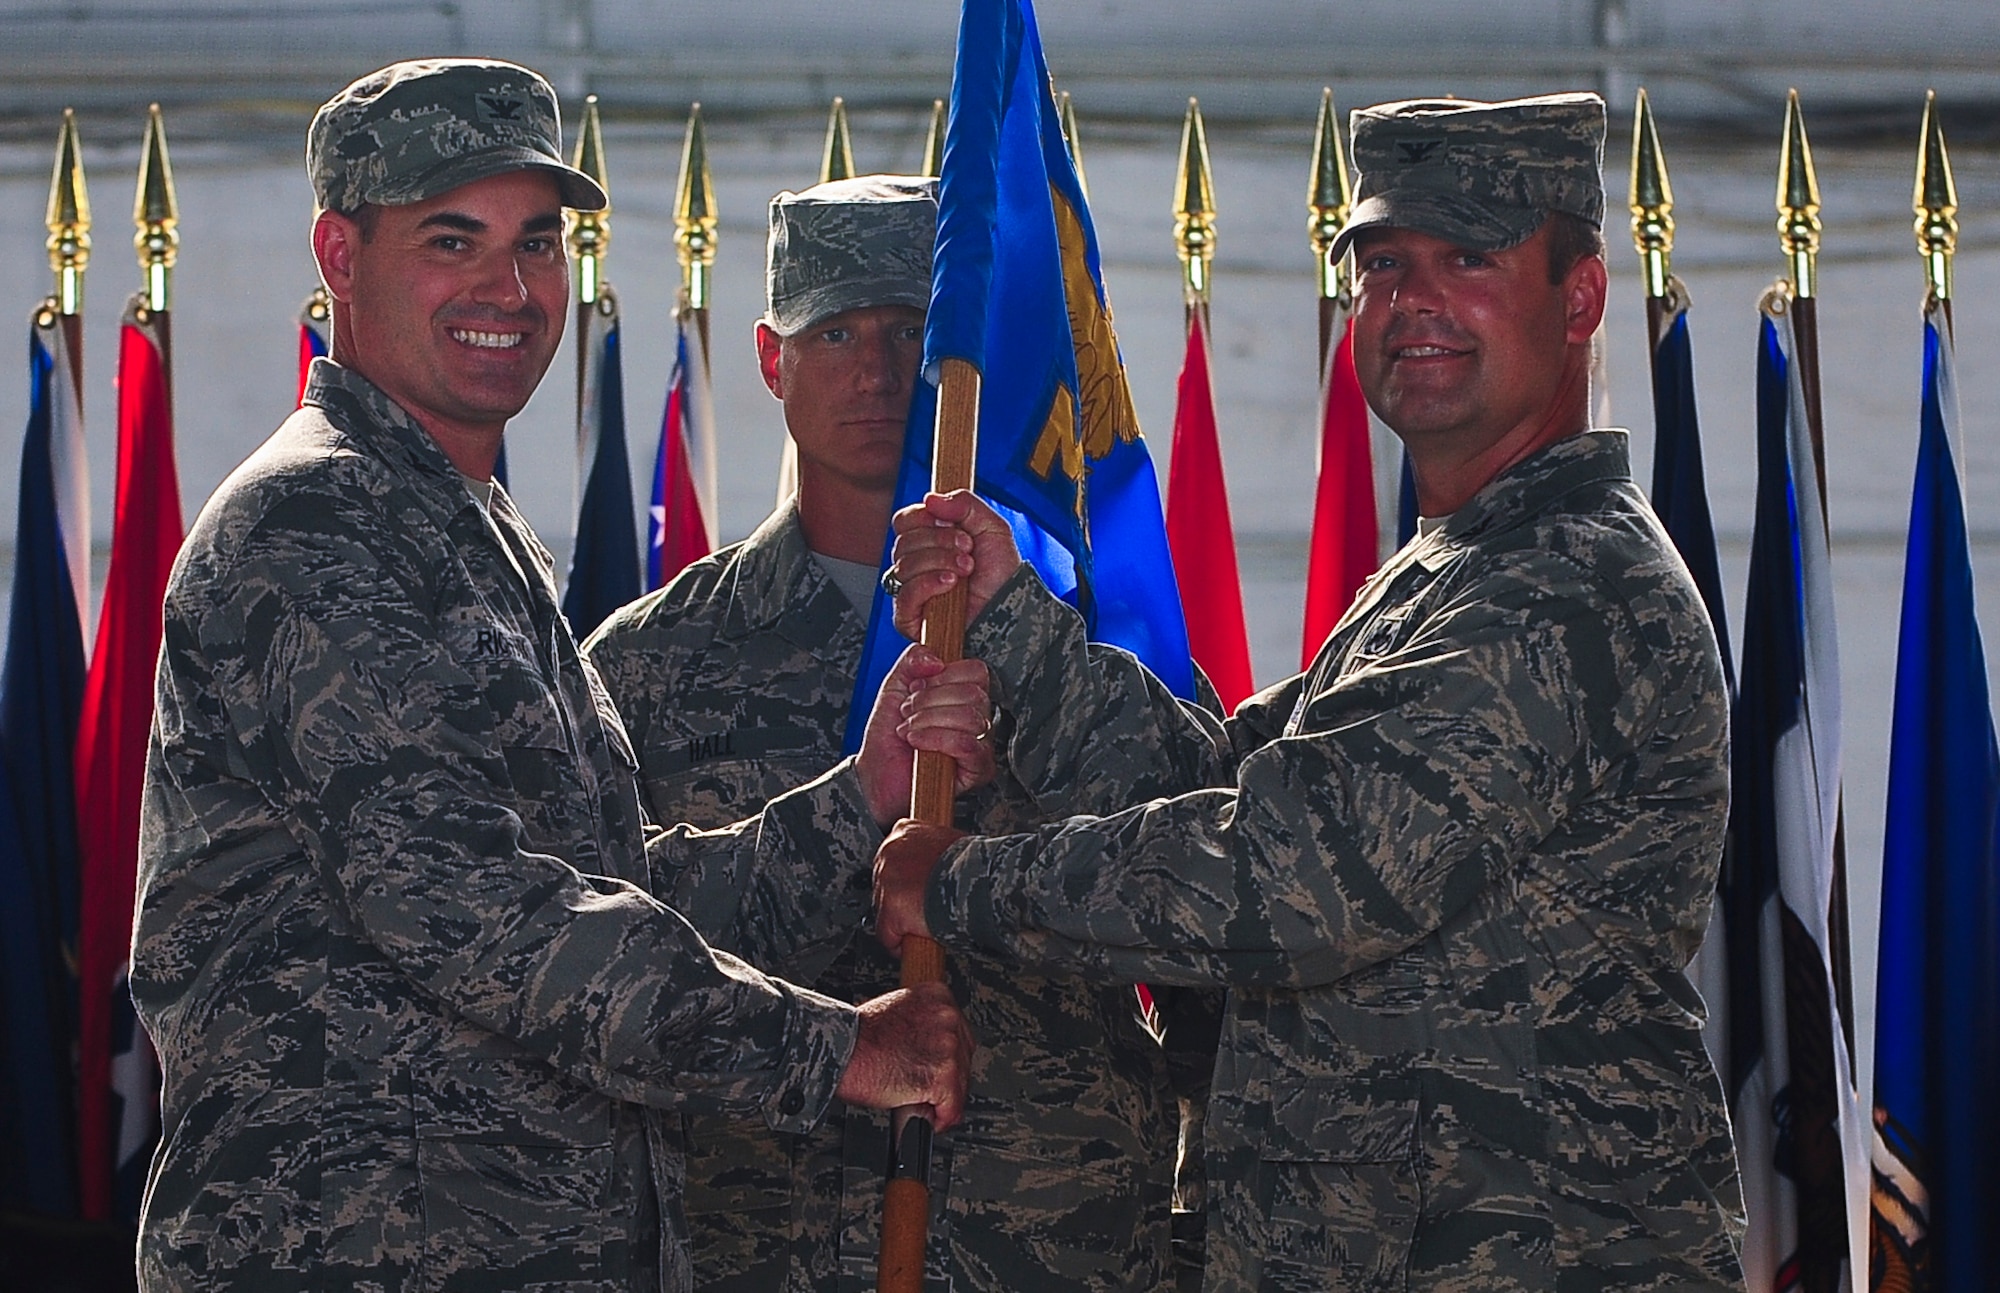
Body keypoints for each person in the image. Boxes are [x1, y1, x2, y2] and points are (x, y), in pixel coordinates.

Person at [132, 60, 984, 1293]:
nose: (510, 290)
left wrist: (859, 797)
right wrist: (835, 1049)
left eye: (537, 244)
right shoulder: (313, 525)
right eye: (452, 240)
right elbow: (482, 914)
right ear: (338, 253)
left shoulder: (463, 533)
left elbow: (612, 882)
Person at [874, 93, 1748, 1292]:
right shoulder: (1451, 570)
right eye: (1384, 263)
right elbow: (1214, 785)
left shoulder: (1569, 583)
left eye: (1469, 258)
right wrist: (1013, 619)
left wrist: (965, 886)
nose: (1414, 302)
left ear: (1580, 295)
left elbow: (1295, 874)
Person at [583, 174, 1214, 1292]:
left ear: (961, 362)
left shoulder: (1071, 623)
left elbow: (1213, 857)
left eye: (909, 332)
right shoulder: (652, 663)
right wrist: (844, 811)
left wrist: (1022, 639)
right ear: (772, 361)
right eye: (834, 333)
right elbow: (595, 945)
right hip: (761, 1248)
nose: (876, 371)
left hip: (1050, 1251)